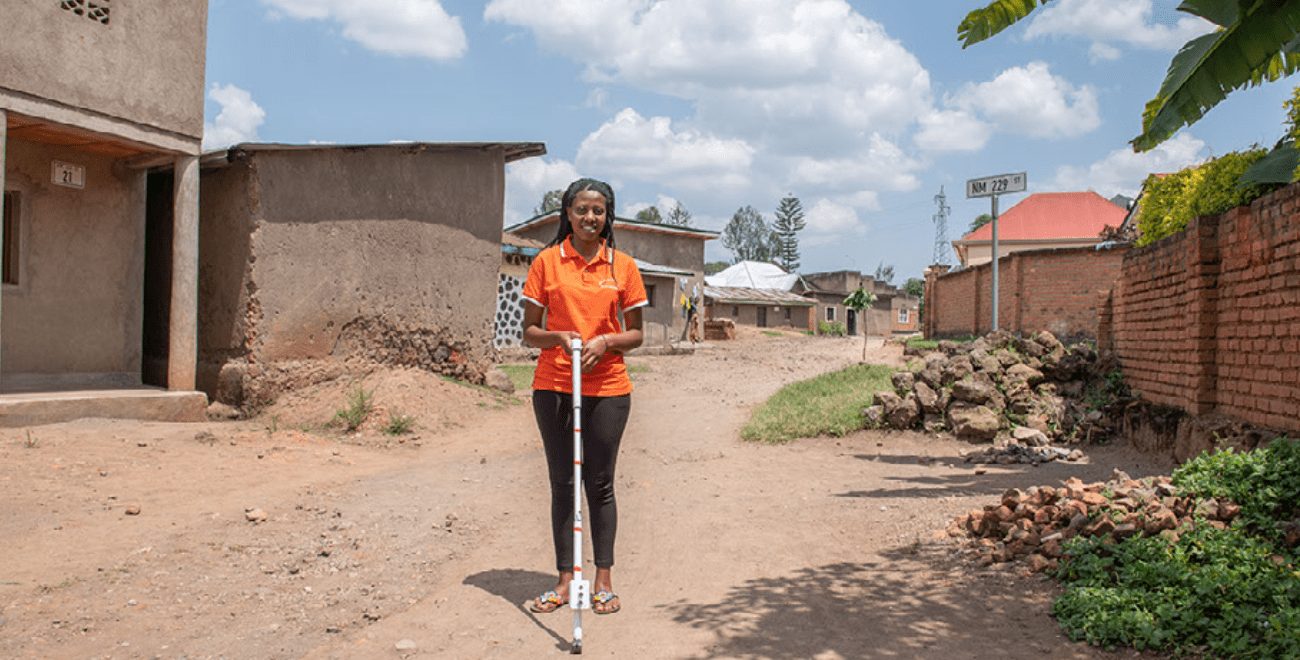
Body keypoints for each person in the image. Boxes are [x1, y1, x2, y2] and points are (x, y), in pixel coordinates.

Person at [521, 178, 646, 616]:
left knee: (600, 484)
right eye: (581, 210)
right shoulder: (546, 263)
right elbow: (529, 332)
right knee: (562, 483)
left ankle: (603, 581)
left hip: (608, 389)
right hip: (554, 384)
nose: (590, 218)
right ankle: (564, 580)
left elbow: (636, 334)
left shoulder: (623, 266)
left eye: (598, 210)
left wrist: (606, 343)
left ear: (608, 215)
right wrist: (559, 337)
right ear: (567, 214)